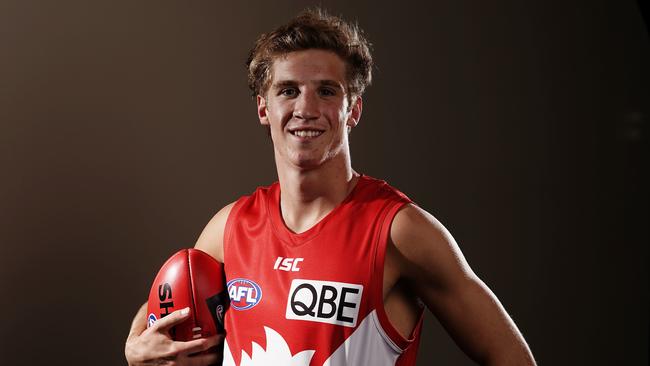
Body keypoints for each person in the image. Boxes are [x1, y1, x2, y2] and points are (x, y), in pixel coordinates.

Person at [125, 8, 536, 366]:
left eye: (326, 91)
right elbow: (167, 301)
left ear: (352, 109)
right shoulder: (230, 227)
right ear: (264, 108)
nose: (306, 109)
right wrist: (135, 345)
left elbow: (510, 356)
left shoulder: (398, 231)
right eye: (288, 91)